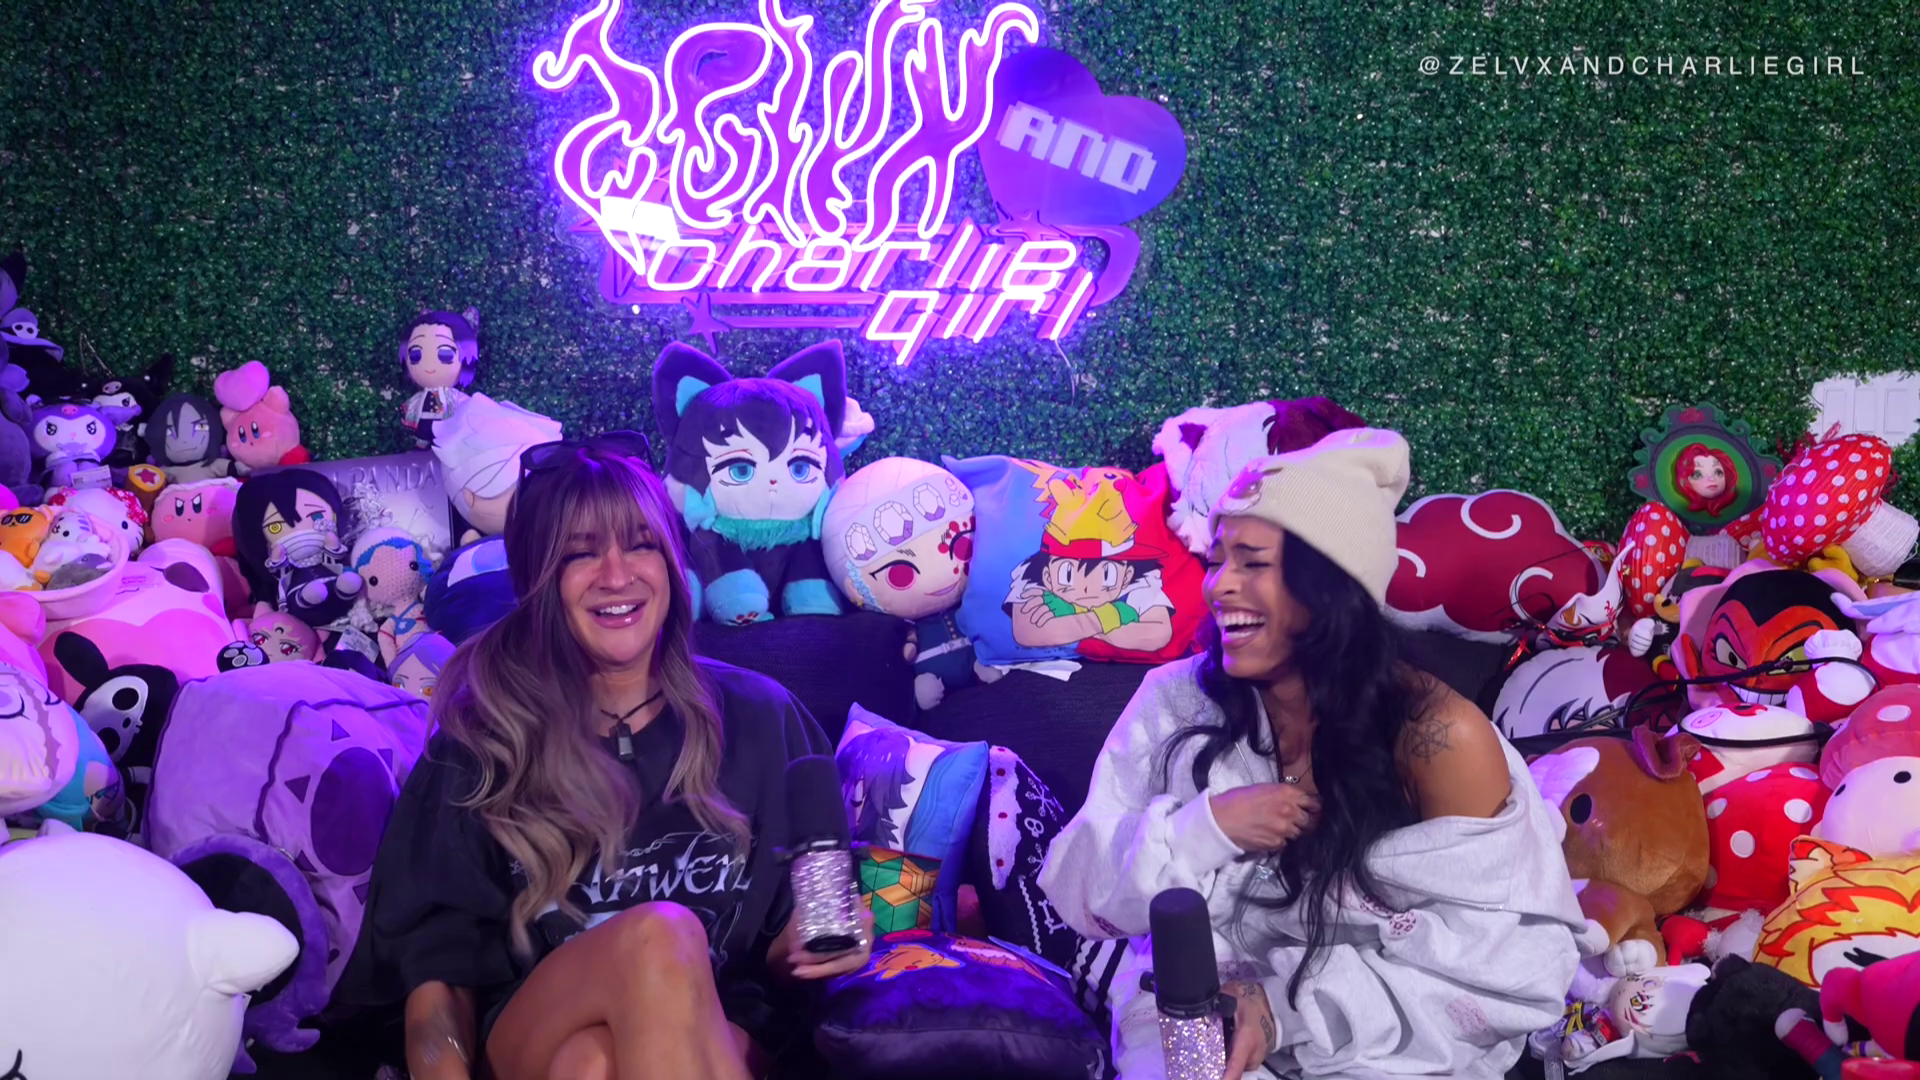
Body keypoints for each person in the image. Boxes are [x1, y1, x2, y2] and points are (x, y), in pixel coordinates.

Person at [1037, 429, 1604, 1080]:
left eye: (1252, 563)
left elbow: (1496, 967)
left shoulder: (1438, 736)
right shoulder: (1177, 701)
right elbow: (1082, 896)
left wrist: (1282, 1010)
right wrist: (1204, 830)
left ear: (1332, 585)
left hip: (1384, 1039)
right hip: (1198, 1013)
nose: (1220, 587)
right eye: (1217, 561)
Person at [341, 437, 871, 1080]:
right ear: (538, 579)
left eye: (641, 545)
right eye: (580, 553)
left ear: (671, 563)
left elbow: (785, 963)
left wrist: (820, 945)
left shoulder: (764, 718)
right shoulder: (481, 744)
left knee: (591, 1064)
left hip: (716, 1033)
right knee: (660, 937)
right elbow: (437, 984)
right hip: (533, 1028)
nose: (617, 577)